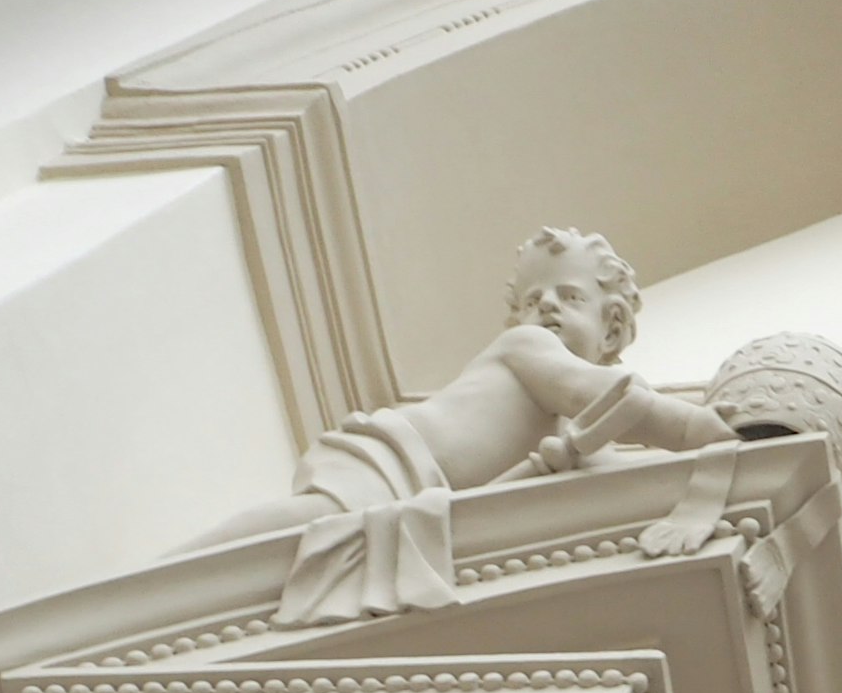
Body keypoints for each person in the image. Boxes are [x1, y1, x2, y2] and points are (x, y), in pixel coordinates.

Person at [209, 227, 735, 620]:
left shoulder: (571, 434)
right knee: (305, 521)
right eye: (533, 300)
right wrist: (701, 432)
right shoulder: (530, 347)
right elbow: (605, 396)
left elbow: (611, 480)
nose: (546, 305)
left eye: (570, 296)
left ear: (611, 326)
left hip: (416, 490)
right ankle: (181, 568)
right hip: (396, 461)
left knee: (306, 531)